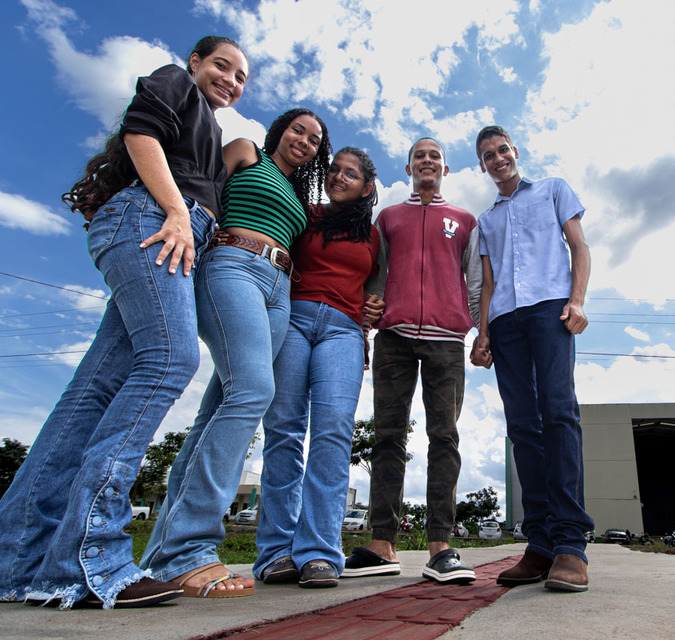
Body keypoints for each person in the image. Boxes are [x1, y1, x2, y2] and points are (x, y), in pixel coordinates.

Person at [0, 36, 249, 609]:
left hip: (163, 230)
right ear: (195, 62)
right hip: (156, 224)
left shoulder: (211, 132)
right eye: (222, 65)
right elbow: (141, 134)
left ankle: (19, 559)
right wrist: (177, 214)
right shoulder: (174, 81)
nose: (231, 80)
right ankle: (90, 558)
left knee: (93, 390)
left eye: (241, 77)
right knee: (172, 359)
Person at [139, 109, 330, 598]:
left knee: (216, 409)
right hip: (233, 264)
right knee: (254, 391)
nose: (304, 142)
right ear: (281, 131)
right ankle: (190, 548)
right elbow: (201, 193)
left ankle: (166, 551)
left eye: (314, 140)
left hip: (279, 289)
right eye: (298, 131)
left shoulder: (302, 199)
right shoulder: (247, 151)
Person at [342, 137, 480, 584]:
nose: (427, 161)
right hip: (394, 340)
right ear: (407, 167)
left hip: (446, 342)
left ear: (444, 167)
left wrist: (482, 330)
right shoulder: (388, 218)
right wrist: (368, 314)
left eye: (434, 156)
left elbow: (475, 282)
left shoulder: (463, 221)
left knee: (444, 436)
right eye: (419, 155)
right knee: (387, 437)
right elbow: (373, 276)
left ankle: (440, 546)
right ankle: (383, 543)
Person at [252, 147, 384, 589]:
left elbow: (377, 285)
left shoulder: (372, 234)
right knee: (284, 429)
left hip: (343, 331)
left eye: (350, 174)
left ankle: (319, 553)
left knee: (332, 431)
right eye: (334, 171)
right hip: (292, 318)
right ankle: (275, 552)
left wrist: (376, 304)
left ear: (366, 187)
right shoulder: (305, 213)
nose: (339, 177)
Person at [471, 125, 594, 592]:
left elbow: (579, 246)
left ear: (515, 152)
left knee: (559, 413)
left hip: (550, 310)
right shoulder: (486, 220)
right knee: (523, 426)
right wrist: (482, 333)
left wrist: (577, 300)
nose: (498, 158)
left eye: (502, 150)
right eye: (488, 155)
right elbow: (486, 277)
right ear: (482, 166)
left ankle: (570, 544)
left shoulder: (552, 190)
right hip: (506, 322)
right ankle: (540, 544)